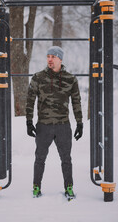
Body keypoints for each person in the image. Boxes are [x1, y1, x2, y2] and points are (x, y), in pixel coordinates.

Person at [26, 46, 83, 198]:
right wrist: (28, 121)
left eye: (53, 56)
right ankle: (36, 187)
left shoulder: (70, 79)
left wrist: (80, 123)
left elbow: (76, 102)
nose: (50, 59)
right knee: (39, 158)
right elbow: (30, 100)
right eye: (48, 56)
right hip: (43, 126)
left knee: (66, 159)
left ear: (60, 59)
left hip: (63, 126)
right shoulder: (38, 78)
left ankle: (69, 188)